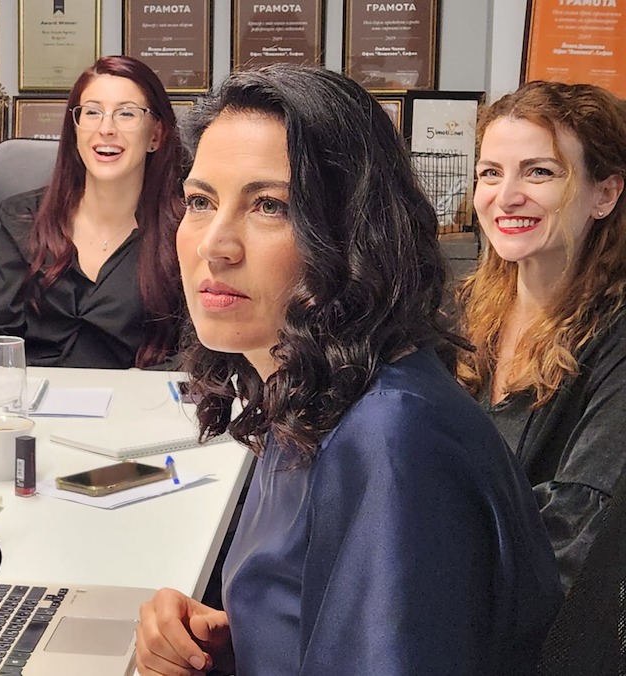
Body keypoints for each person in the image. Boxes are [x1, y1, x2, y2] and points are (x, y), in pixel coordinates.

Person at [135, 65, 561, 675]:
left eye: (270, 206)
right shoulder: (308, 387)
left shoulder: (392, 436)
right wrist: (227, 649)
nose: (214, 244)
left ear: (352, 232)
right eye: (201, 202)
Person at [456, 81, 626, 592]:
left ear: (605, 194)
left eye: (540, 172)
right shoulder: (460, 309)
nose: (507, 196)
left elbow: (575, 538)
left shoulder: (615, 340)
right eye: (491, 172)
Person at [0, 55, 183, 369]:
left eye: (126, 113)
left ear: (155, 135)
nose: (106, 129)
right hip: (34, 395)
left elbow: (196, 354)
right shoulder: (24, 219)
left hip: (138, 397)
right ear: (75, 129)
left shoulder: (183, 231)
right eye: (92, 112)